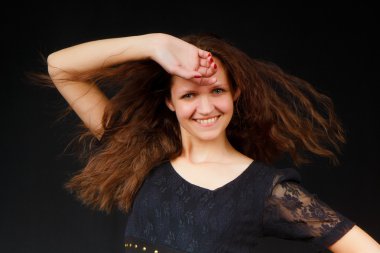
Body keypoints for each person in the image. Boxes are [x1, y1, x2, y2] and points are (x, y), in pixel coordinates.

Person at [45, 32, 379, 252]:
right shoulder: (141, 156)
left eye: (217, 90)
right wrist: (154, 43)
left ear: (235, 94)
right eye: (189, 94)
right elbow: (60, 67)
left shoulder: (264, 190)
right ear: (170, 101)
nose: (205, 108)